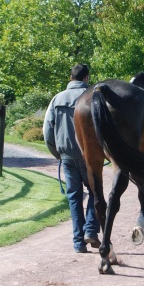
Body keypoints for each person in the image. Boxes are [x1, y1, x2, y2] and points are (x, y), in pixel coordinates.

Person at [43, 63, 101, 253]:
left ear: (70, 78)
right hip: (89, 156)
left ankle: (78, 243)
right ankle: (91, 230)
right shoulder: (93, 97)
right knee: (95, 193)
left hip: (66, 155)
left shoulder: (57, 99)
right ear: (86, 78)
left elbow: (47, 132)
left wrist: (58, 154)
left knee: (74, 198)